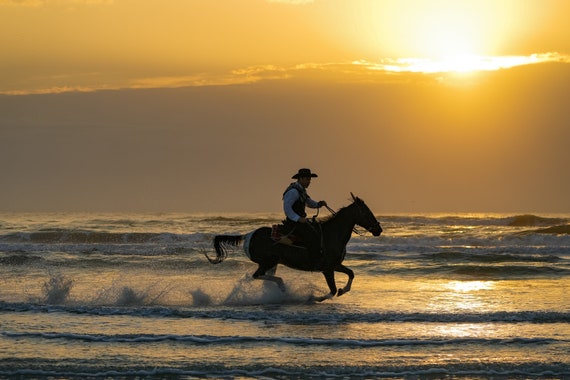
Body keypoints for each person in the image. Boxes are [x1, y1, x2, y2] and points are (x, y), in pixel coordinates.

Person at [282, 168, 327, 254]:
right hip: (294, 222)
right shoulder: (293, 192)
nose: (309, 182)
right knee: (312, 235)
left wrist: (319, 204)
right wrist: (298, 218)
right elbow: (287, 208)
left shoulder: (301, 191)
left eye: (309, 180)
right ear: (301, 179)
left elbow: (309, 202)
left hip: (299, 221)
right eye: (307, 179)